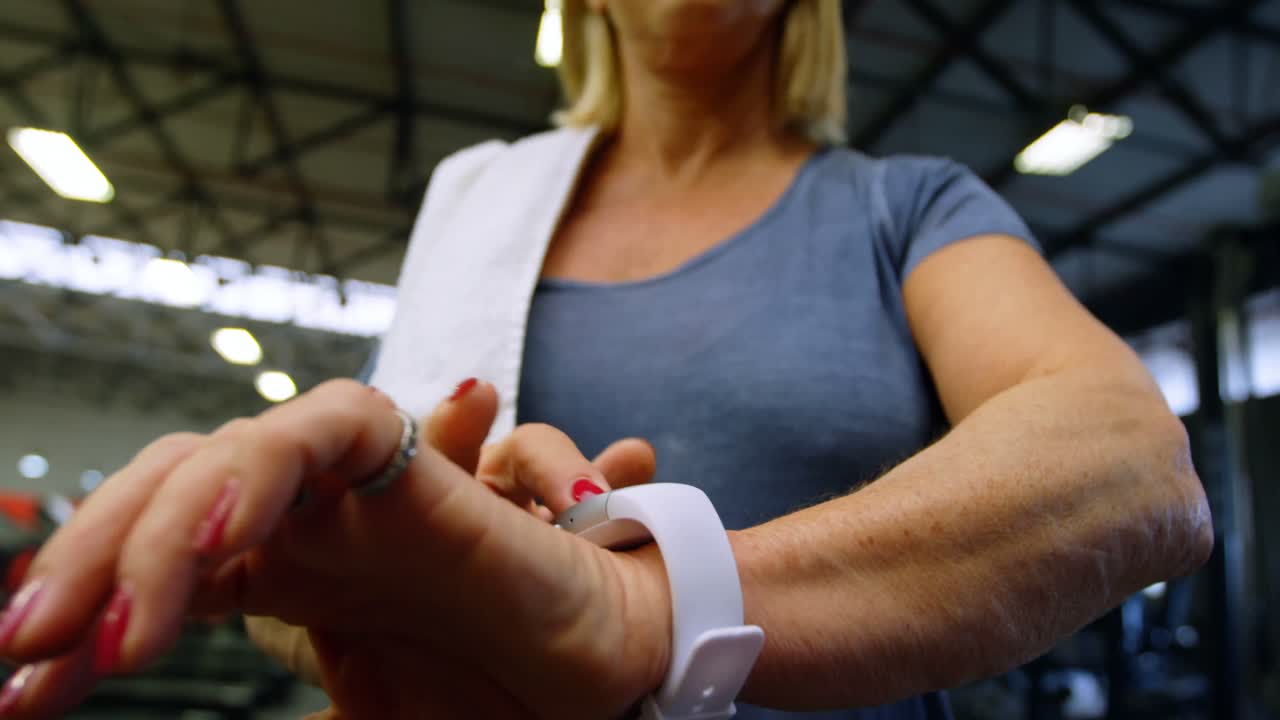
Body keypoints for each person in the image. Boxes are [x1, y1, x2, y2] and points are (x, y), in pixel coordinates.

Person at [0, 0, 1213, 718]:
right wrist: (400, 575)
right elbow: (342, 572)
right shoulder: (475, 205)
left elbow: (1128, 462)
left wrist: (644, 605)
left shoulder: (909, 207)